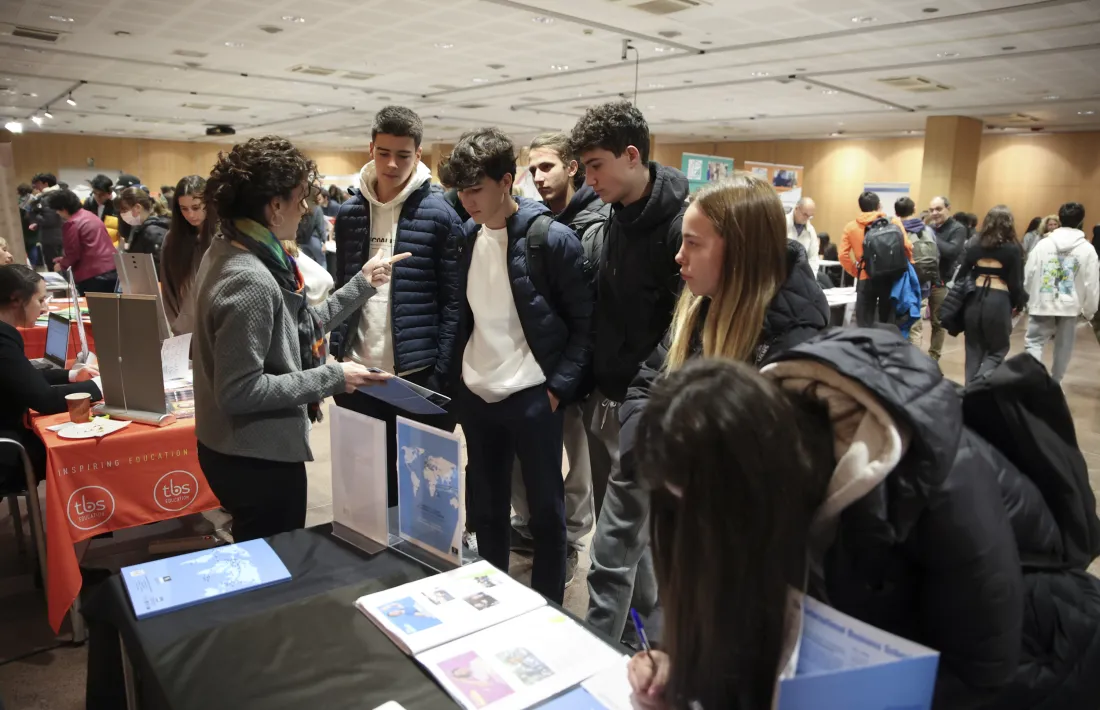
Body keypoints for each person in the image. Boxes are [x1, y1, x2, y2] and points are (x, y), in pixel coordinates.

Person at [628, 329, 1100, 709]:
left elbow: (982, 667)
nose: (701, 531)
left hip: (1044, 662)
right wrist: (675, 659)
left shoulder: (938, 478)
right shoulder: (754, 463)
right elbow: (721, 585)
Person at [192, 135, 392, 542]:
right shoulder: (249, 277)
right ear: (275, 206)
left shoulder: (232, 247)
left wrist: (361, 285)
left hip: (237, 449)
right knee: (275, 561)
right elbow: (240, 390)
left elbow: (293, 329)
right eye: (300, 199)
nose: (306, 209)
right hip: (254, 459)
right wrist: (333, 377)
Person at [441, 127, 593, 604]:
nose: (466, 200)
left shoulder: (551, 239)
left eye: (475, 189)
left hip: (532, 396)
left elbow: (585, 324)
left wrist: (556, 389)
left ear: (506, 181)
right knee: (487, 512)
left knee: (546, 515)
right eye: (460, 190)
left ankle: (547, 610)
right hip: (478, 394)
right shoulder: (466, 238)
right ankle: (493, 602)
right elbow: (462, 316)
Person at [570, 101, 688, 641]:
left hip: (652, 407)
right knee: (622, 536)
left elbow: (685, 330)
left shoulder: (683, 228)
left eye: (596, 165)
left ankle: (613, 646)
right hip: (605, 398)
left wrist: (647, 396)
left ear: (633, 155)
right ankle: (638, 635)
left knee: (617, 546)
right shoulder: (613, 217)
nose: (589, 179)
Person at [331, 106, 464, 508]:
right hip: (358, 372)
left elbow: (454, 303)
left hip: (417, 376)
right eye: (384, 153)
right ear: (371, 149)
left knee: (422, 491)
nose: (392, 164)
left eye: (403, 155)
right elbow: (343, 287)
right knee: (367, 487)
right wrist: (338, 353)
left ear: (418, 154)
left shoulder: (439, 214)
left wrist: (441, 374)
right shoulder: (351, 213)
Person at [509, 131, 611, 580]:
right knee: (528, 456)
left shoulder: (597, 219)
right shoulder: (532, 220)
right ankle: (532, 526)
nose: (538, 177)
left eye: (546, 167)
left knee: (578, 461)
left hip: (582, 365)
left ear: (572, 168)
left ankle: (570, 539)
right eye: (532, 169)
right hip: (536, 362)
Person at [0, 265, 101, 483]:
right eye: (40, 300)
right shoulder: (2, 340)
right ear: (16, 300)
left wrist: (71, 376)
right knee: (88, 450)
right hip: (9, 450)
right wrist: (102, 387)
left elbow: (21, 376)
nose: (45, 308)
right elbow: (45, 400)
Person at [1024, 202, 1099, 383]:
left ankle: (1032, 383)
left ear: (1060, 218)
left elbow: (1029, 273)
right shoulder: (1087, 249)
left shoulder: (1043, 244)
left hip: (1043, 301)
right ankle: (1055, 384)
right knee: (1064, 347)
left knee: (1034, 342)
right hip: (1070, 306)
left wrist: (1029, 296)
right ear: (1081, 221)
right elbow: (1092, 283)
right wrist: (1089, 310)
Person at [956, 206, 1028, 384]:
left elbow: (960, 276)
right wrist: (1019, 303)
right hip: (998, 301)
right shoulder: (1013, 249)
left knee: (973, 350)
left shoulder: (974, 246)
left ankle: (969, 390)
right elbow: (1016, 283)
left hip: (973, 300)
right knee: (997, 351)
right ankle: (979, 384)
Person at [839, 191, 911, 327]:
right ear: (879, 206)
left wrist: (856, 271)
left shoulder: (851, 227)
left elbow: (843, 255)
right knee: (887, 322)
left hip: (865, 276)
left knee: (864, 322)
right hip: (890, 277)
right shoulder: (893, 222)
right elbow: (907, 246)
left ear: (860, 207)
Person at [161, 175, 213, 335]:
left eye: (196, 207)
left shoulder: (222, 238)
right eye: (184, 209)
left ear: (208, 204)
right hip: (185, 328)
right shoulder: (172, 240)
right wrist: (177, 324)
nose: (190, 214)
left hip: (214, 325)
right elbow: (168, 287)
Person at [44, 189, 118, 294]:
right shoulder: (90, 215)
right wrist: (64, 260)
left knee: (93, 304)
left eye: (57, 210)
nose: (57, 213)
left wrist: (62, 265)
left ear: (63, 208)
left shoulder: (72, 223)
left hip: (92, 275)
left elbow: (73, 253)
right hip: (112, 268)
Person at [926, 195, 968, 361]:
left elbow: (952, 251)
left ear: (948, 209)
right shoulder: (930, 227)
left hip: (941, 281)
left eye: (938, 209)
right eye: (931, 210)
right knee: (914, 321)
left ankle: (933, 359)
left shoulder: (958, 229)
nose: (934, 213)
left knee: (938, 322)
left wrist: (930, 236)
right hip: (923, 280)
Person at [896, 196, 937, 348]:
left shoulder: (895, 229)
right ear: (914, 210)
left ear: (896, 212)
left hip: (899, 287)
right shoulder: (928, 231)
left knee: (897, 327)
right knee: (915, 328)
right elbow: (936, 256)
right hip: (922, 286)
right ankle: (914, 359)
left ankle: (897, 357)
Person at [116, 186, 171, 276]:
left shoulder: (153, 232)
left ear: (137, 207)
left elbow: (159, 270)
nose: (122, 214)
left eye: (125, 210)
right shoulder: (140, 228)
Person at [25, 173, 64, 267]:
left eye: (37, 184)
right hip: (58, 236)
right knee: (60, 265)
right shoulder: (58, 194)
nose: (36, 187)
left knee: (54, 266)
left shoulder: (48, 198)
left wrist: (35, 216)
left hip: (52, 238)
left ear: (45, 184)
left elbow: (49, 220)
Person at [786, 196, 819, 273]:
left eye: (810, 216)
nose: (807, 218)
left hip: (800, 274)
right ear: (796, 209)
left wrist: (811, 276)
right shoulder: (782, 223)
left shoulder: (811, 231)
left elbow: (813, 258)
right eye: (805, 214)